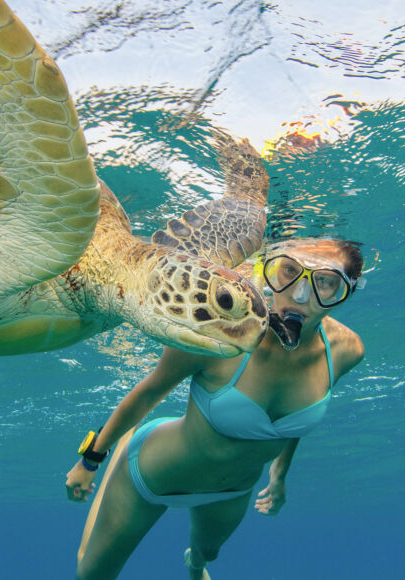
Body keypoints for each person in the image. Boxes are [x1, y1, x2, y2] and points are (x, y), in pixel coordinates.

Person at [65, 237, 366, 580]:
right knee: (90, 576)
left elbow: (296, 421)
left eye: (324, 282)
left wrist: (279, 476)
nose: (298, 295)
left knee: (208, 554)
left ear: (346, 291)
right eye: (289, 272)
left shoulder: (346, 351)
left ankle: (194, 565)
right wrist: (90, 460)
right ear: (270, 273)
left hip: (233, 491)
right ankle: (124, 446)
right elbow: (148, 393)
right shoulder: (219, 329)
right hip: (152, 474)